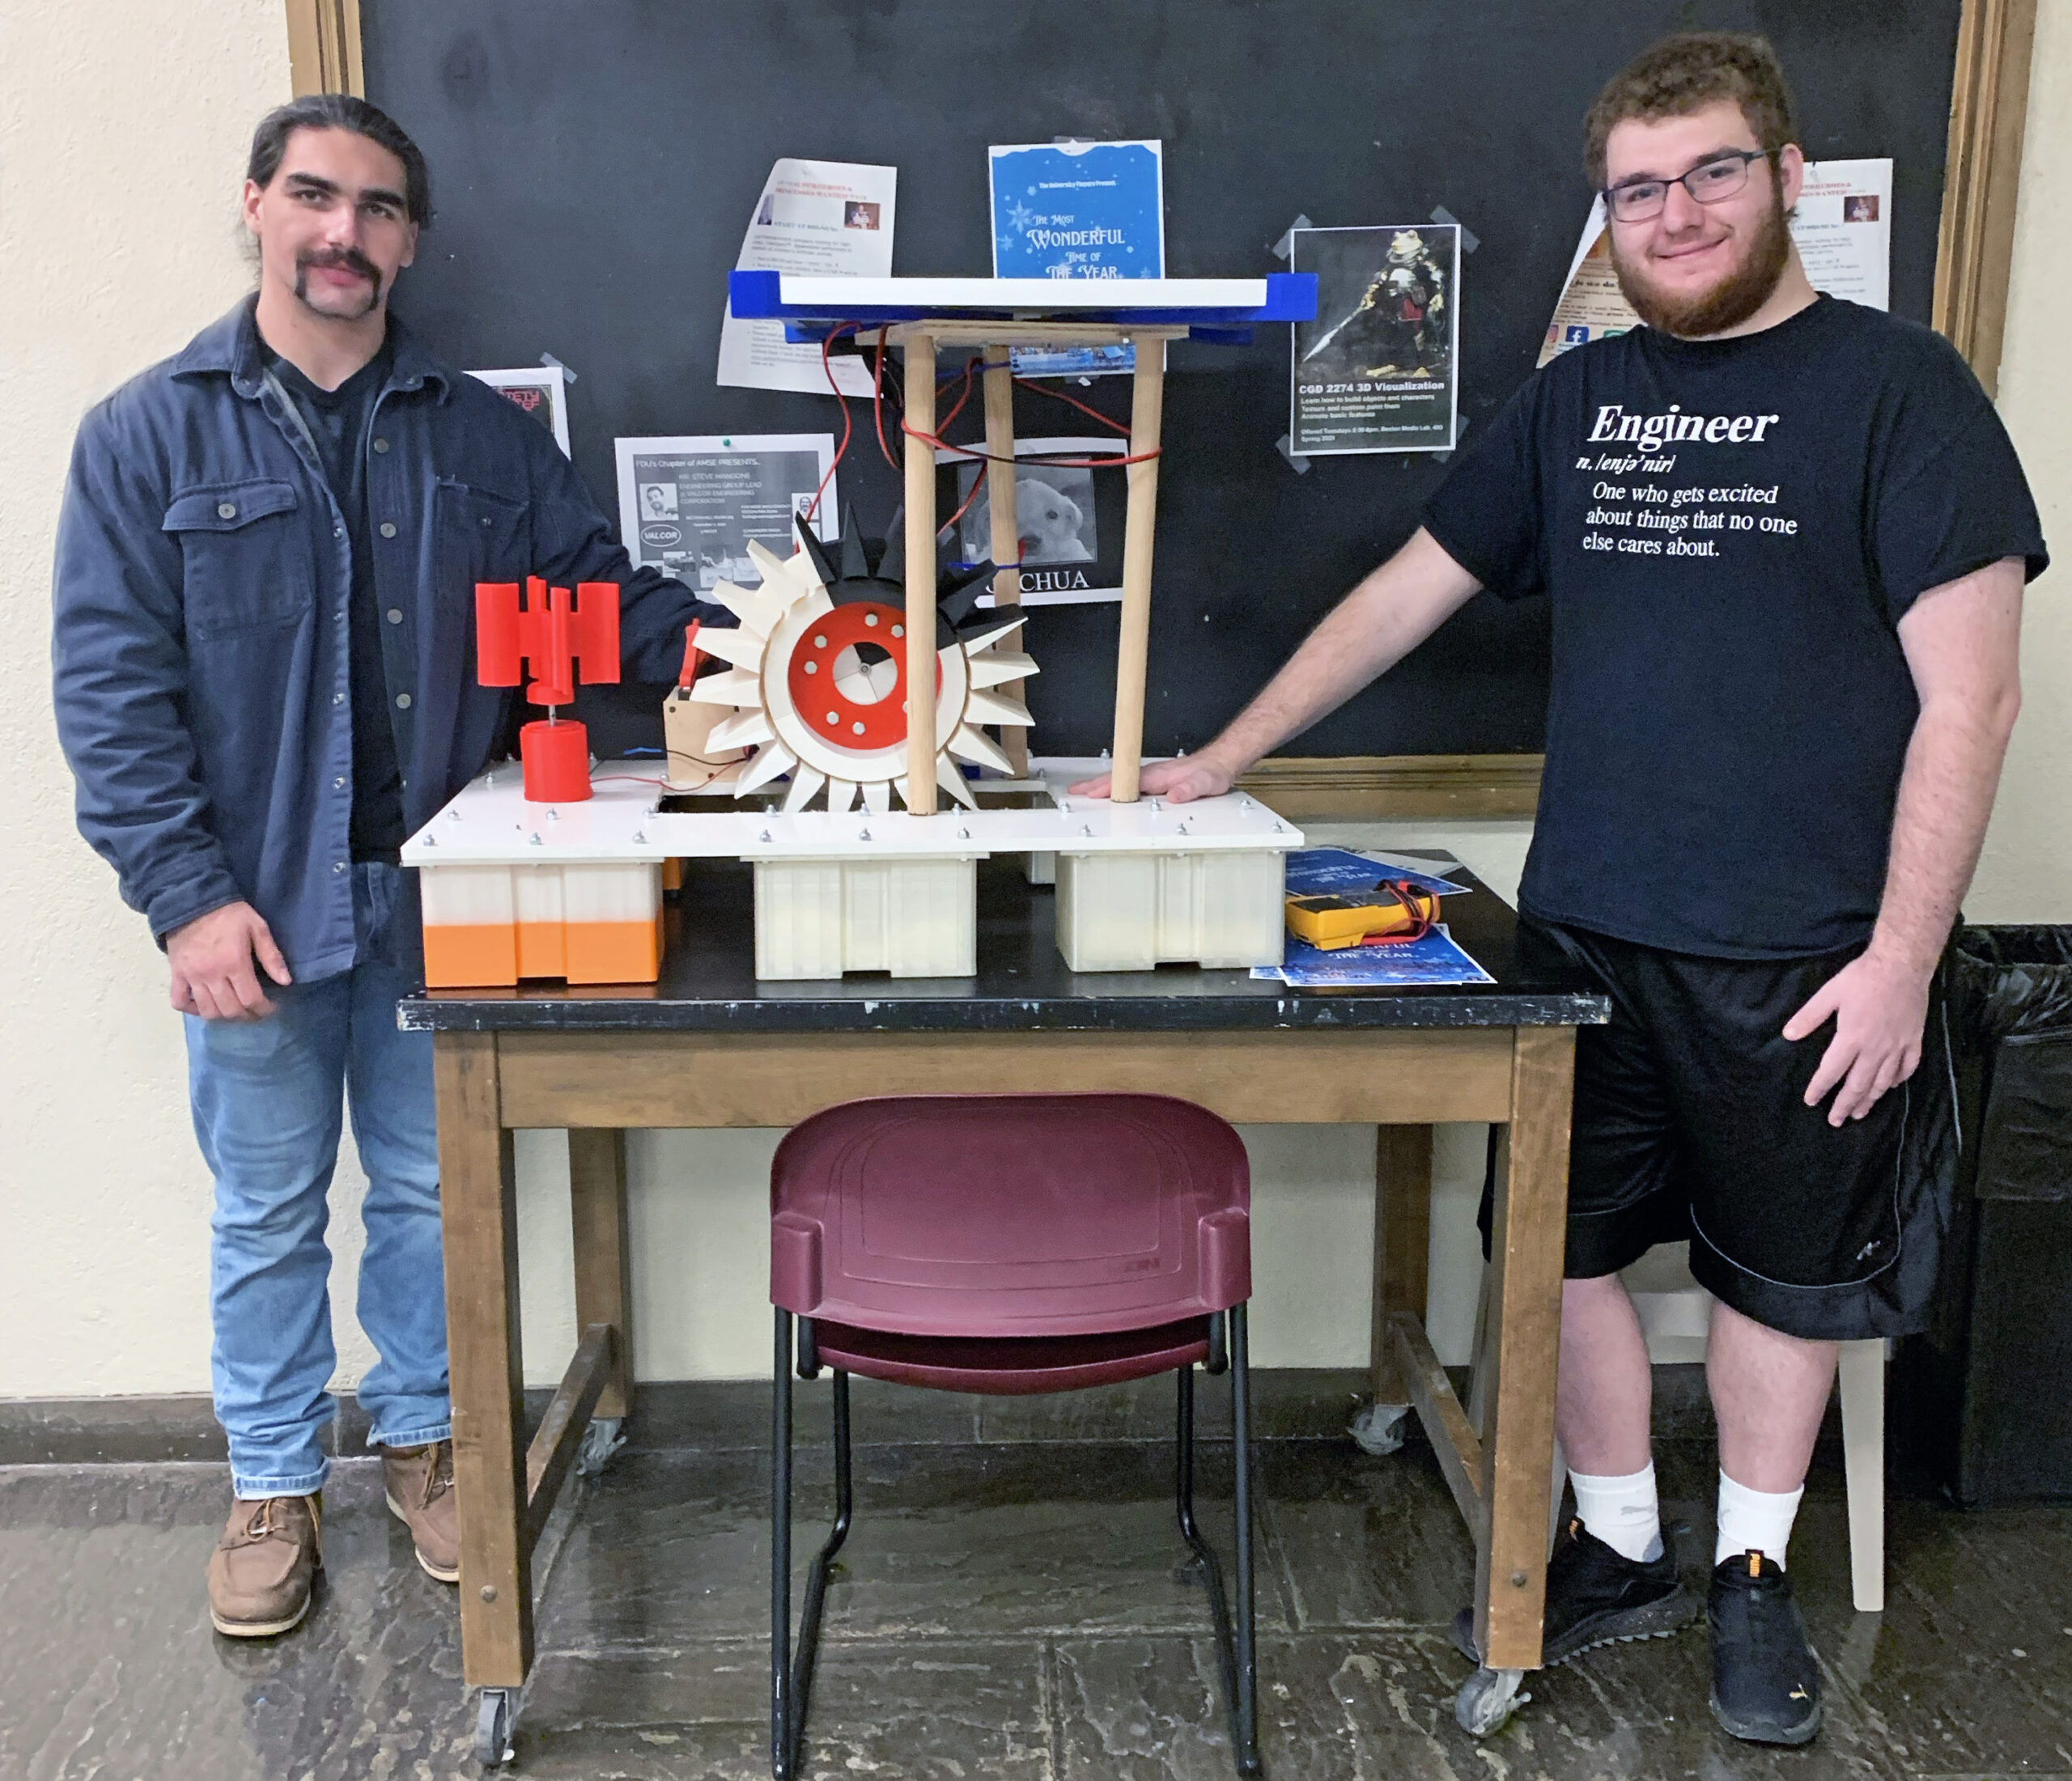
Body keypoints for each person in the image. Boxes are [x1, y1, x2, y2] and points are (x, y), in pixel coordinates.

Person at [1076, 32, 2045, 1746]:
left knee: (1776, 1278)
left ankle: (1749, 1576)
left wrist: (1900, 958)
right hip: (1584, 931)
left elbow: (1971, 695)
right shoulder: (1578, 404)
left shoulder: (1902, 393)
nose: (1671, 214)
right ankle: (1615, 1541)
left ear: (1786, 176)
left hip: (1807, 951)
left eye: (1708, 172)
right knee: (1563, 1251)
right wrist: (1220, 758)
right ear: (1603, 216)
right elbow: (1404, 593)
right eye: (1634, 189)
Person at [51, 95, 724, 1639]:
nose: (343, 233)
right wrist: (184, 896)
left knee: (427, 1196)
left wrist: (774, 643)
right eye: (314, 197)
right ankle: (274, 1482)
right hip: (256, 907)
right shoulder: (146, 435)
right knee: (267, 1207)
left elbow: (598, 602)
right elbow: (111, 689)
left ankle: (426, 1443)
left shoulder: (488, 440)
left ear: (411, 238)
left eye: (376, 208)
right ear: (257, 209)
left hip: (446, 899)